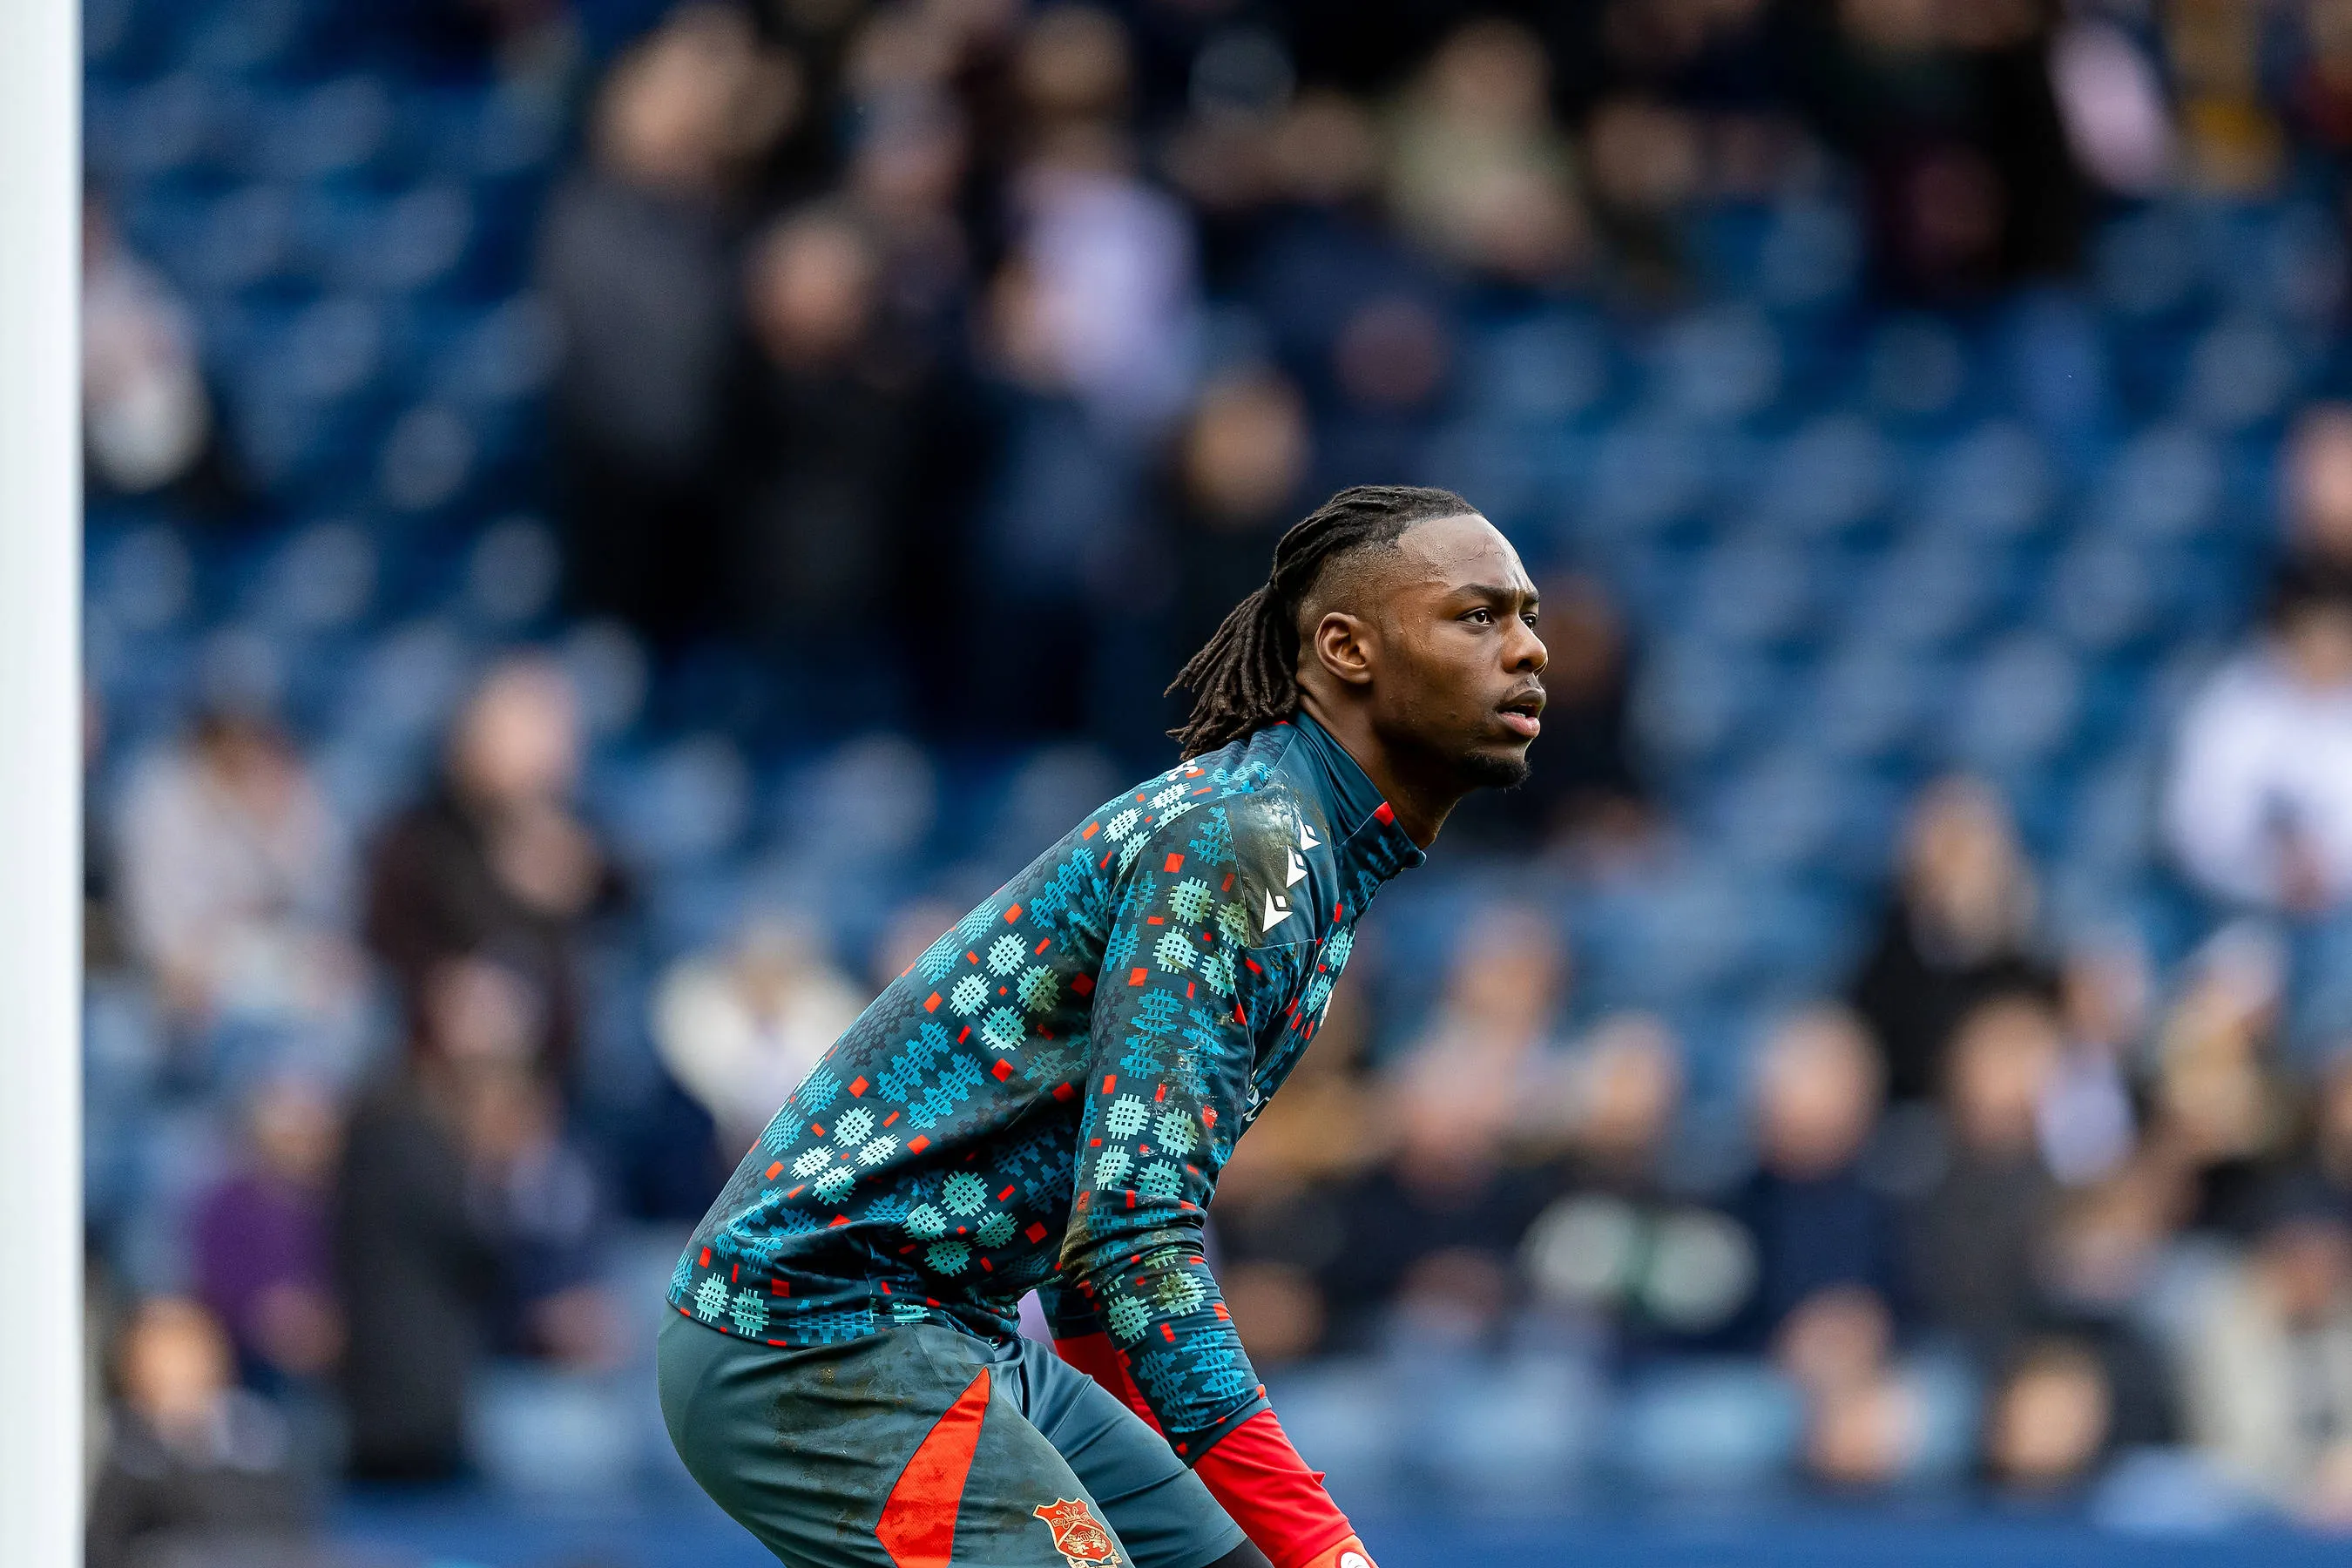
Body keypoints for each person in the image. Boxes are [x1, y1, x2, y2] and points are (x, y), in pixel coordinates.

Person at [659, 485, 1547, 1568]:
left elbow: (1096, 1234)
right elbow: (1137, 1238)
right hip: (818, 1343)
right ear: (1346, 648)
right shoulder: (1248, 847)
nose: (1526, 649)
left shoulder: (1301, 854)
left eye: (1527, 616)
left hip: (957, 1337)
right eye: (1478, 615)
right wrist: (1330, 1551)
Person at [2166, 561, 2352, 913]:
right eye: (2320, 633)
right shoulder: (2234, 705)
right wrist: (2268, 865)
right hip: (2235, 902)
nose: (2332, 649)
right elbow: (2195, 826)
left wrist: (2328, 864)